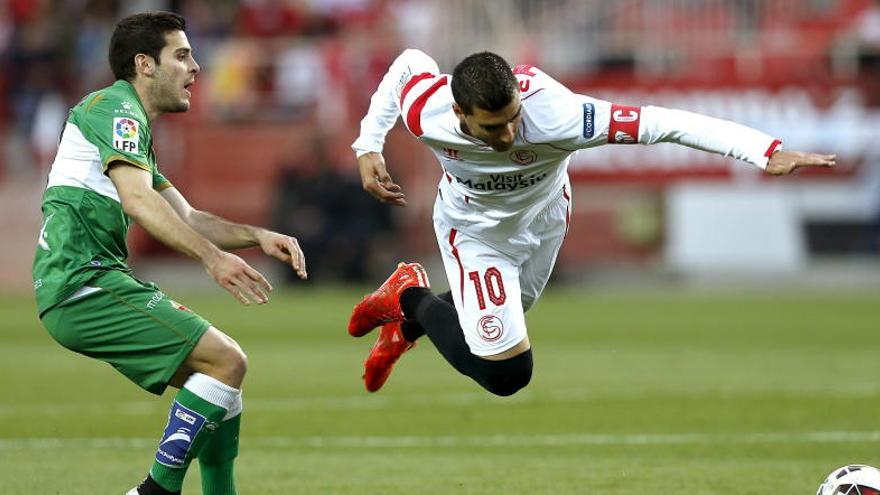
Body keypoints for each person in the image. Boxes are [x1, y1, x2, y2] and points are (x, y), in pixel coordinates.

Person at [347, 49, 836, 396]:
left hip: (544, 220)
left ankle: (408, 327)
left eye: (513, 118)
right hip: (472, 231)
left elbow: (664, 122)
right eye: (493, 127)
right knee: (506, 375)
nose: (510, 133)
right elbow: (409, 64)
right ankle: (408, 293)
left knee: (511, 309)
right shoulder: (426, 112)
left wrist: (762, 151)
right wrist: (368, 144)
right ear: (459, 113)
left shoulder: (561, 116)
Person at [31, 12, 307, 495]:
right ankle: (154, 491)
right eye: (181, 55)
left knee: (221, 383)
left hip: (91, 283)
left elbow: (190, 216)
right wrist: (212, 259)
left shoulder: (131, 130)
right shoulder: (113, 109)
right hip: (83, 283)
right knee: (227, 361)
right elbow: (138, 201)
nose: (195, 68)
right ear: (145, 64)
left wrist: (259, 236)